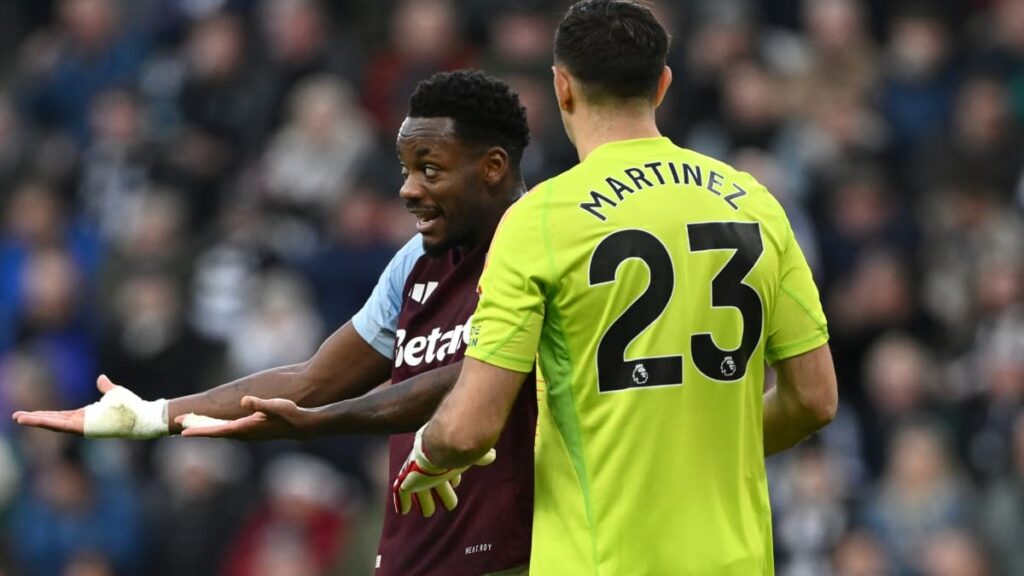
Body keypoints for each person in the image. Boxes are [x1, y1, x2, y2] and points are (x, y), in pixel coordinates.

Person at [13, 69, 536, 576]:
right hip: (419, 555)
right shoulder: (414, 262)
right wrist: (156, 414)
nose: (408, 190)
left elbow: (477, 377)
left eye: (430, 169)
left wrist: (329, 421)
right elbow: (312, 381)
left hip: (525, 550)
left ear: (492, 166)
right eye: (405, 170)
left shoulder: (547, 246)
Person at [394, 1, 838, 574]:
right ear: (662, 85)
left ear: (562, 88)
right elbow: (815, 399)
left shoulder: (541, 220)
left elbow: (471, 426)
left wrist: (429, 453)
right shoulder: (754, 201)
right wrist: (700, 452)